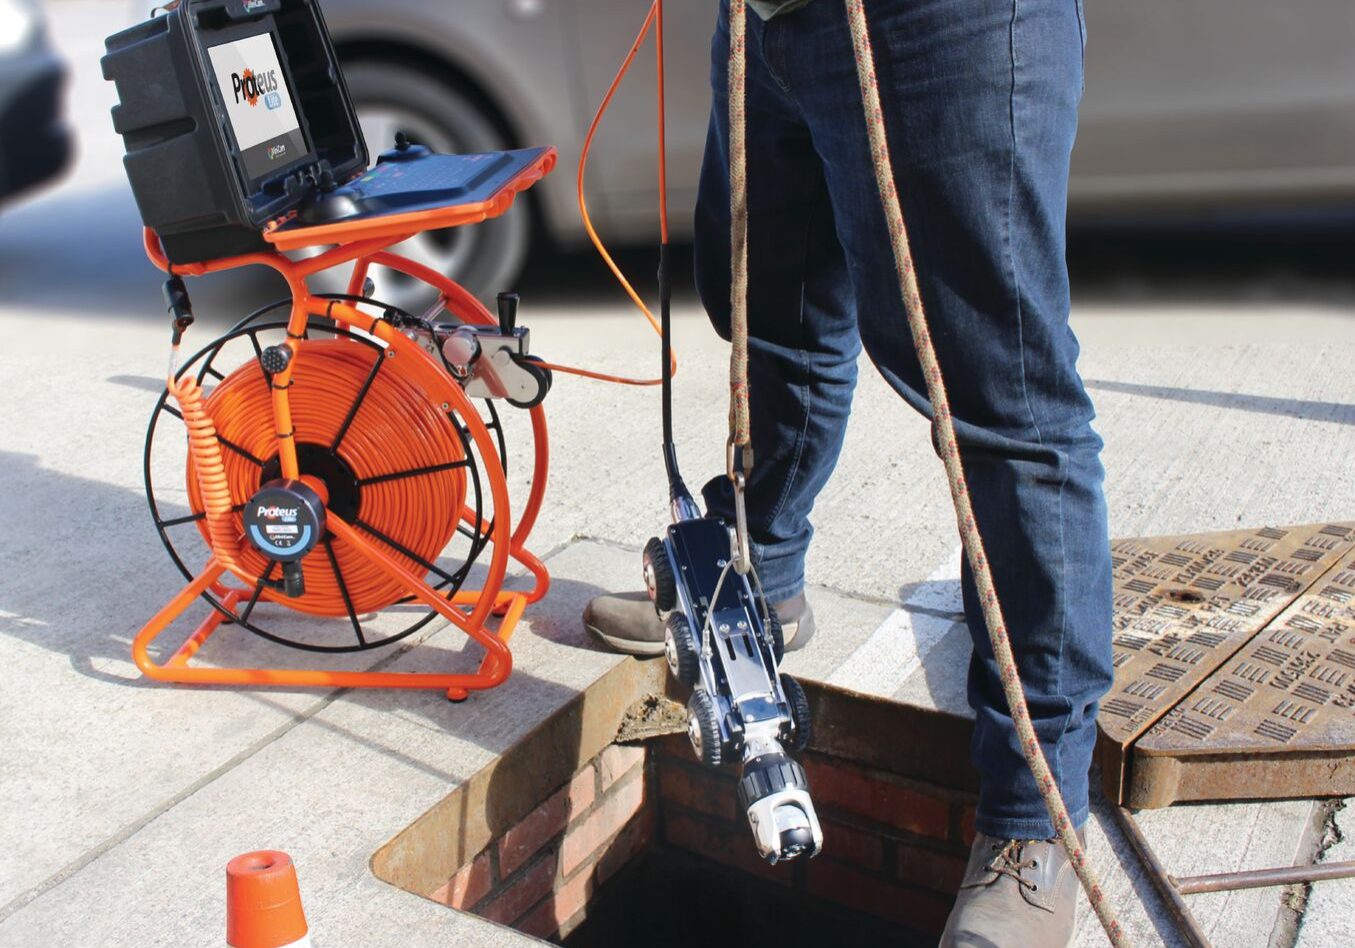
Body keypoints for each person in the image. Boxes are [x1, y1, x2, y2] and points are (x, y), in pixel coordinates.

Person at [583, 1, 1111, 944]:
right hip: (767, 23)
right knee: (773, 325)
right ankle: (762, 588)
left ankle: (1033, 829)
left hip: (939, 23)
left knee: (1000, 403)